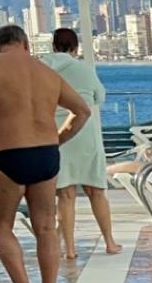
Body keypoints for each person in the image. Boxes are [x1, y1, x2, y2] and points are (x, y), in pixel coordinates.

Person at [0, 23, 91, 283]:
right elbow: (83, 111)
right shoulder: (47, 73)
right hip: (47, 155)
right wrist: (59, 139)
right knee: (47, 228)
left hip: (5, 156)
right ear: (25, 44)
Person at [46, 28, 121, 260]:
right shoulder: (84, 69)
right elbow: (100, 96)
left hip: (58, 134)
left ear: (53, 46)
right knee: (96, 191)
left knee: (65, 195)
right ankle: (109, 242)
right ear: (75, 47)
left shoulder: (44, 67)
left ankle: (69, 250)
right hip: (85, 132)